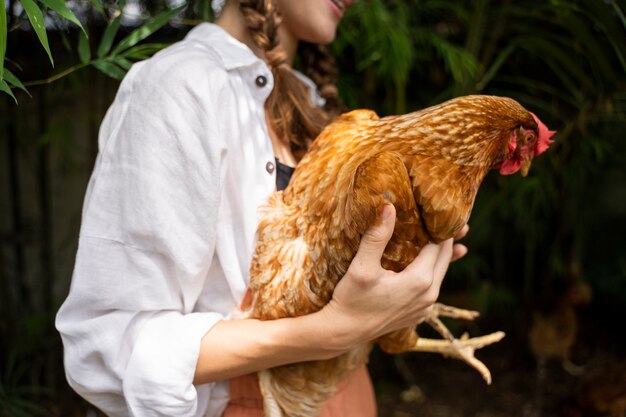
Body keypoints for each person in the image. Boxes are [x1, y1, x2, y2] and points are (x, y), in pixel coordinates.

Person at [55, 0, 469, 416]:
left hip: (347, 394)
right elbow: (109, 347)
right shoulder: (181, 86)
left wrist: (396, 279)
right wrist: (331, 331)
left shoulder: (315, 104)